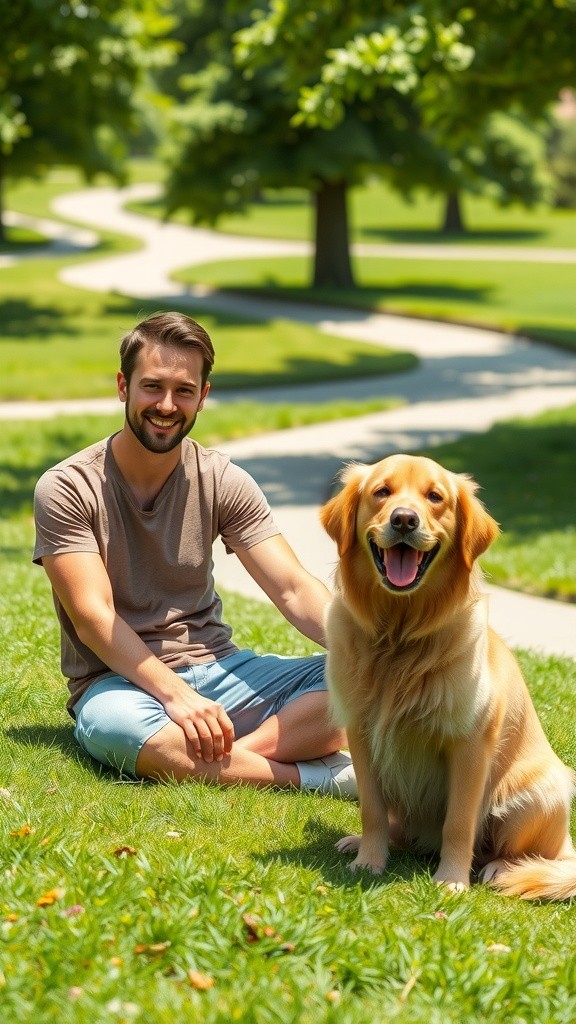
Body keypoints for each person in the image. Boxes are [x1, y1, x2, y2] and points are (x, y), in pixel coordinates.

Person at [33, 311, 356, 798]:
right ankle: (313, 777)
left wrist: (372, 647)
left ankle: (215, 756)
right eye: (152, 387)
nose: (166, 405)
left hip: (222, 669)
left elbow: (292, 587)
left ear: (203, 396)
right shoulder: (67, 487)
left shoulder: (222, 479)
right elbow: (93, 618)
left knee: (362, 680)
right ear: (124, 386)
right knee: (117, 729)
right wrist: (176, 695)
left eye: (184, 390)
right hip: (118, 685)